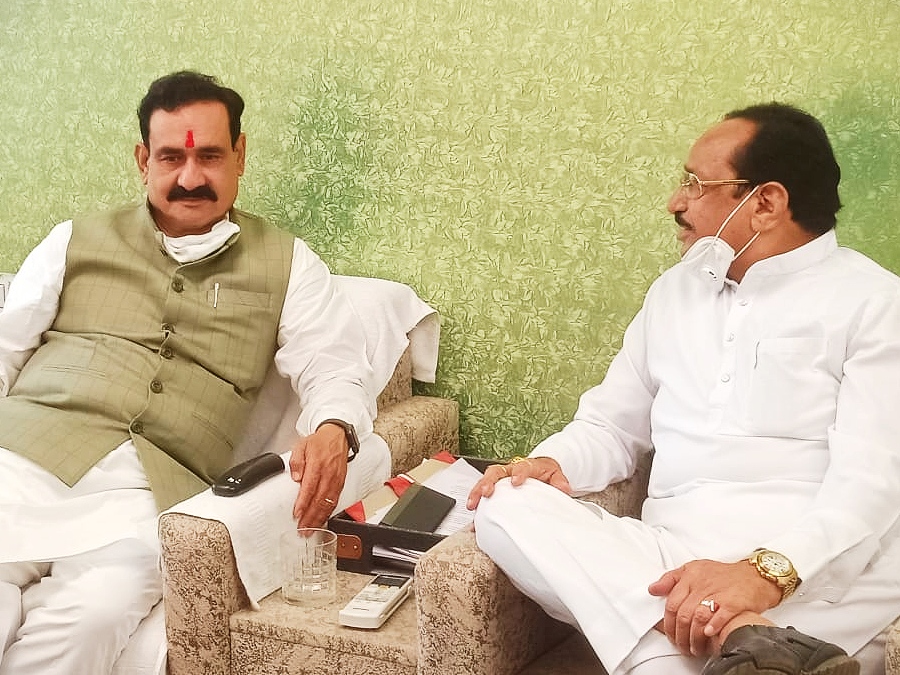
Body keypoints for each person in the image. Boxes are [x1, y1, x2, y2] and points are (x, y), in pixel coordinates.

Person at [468, 103, 900, 675]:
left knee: (658, 662)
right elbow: (610, 426)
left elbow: (870, 487)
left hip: (809, 575)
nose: (676, 202)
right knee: (505, 501)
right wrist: (553, 461)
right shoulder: (675, 291)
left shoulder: (877, 303)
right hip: (673, 558)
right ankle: (748, 639)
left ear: (766, 203)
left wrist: (762, 576)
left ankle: (740, 639)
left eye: (697, 185)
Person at [0, 71, 389, 674]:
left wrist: (335, 426)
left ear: (240, 155)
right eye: (171, 157)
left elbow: (333, 362)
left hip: (149, 492)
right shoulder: (73, 240)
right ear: (143, 160)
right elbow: (5, 347)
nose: (189, 177)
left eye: (209, 156)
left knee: (97, 613)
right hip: (24, 457)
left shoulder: (289, 263)